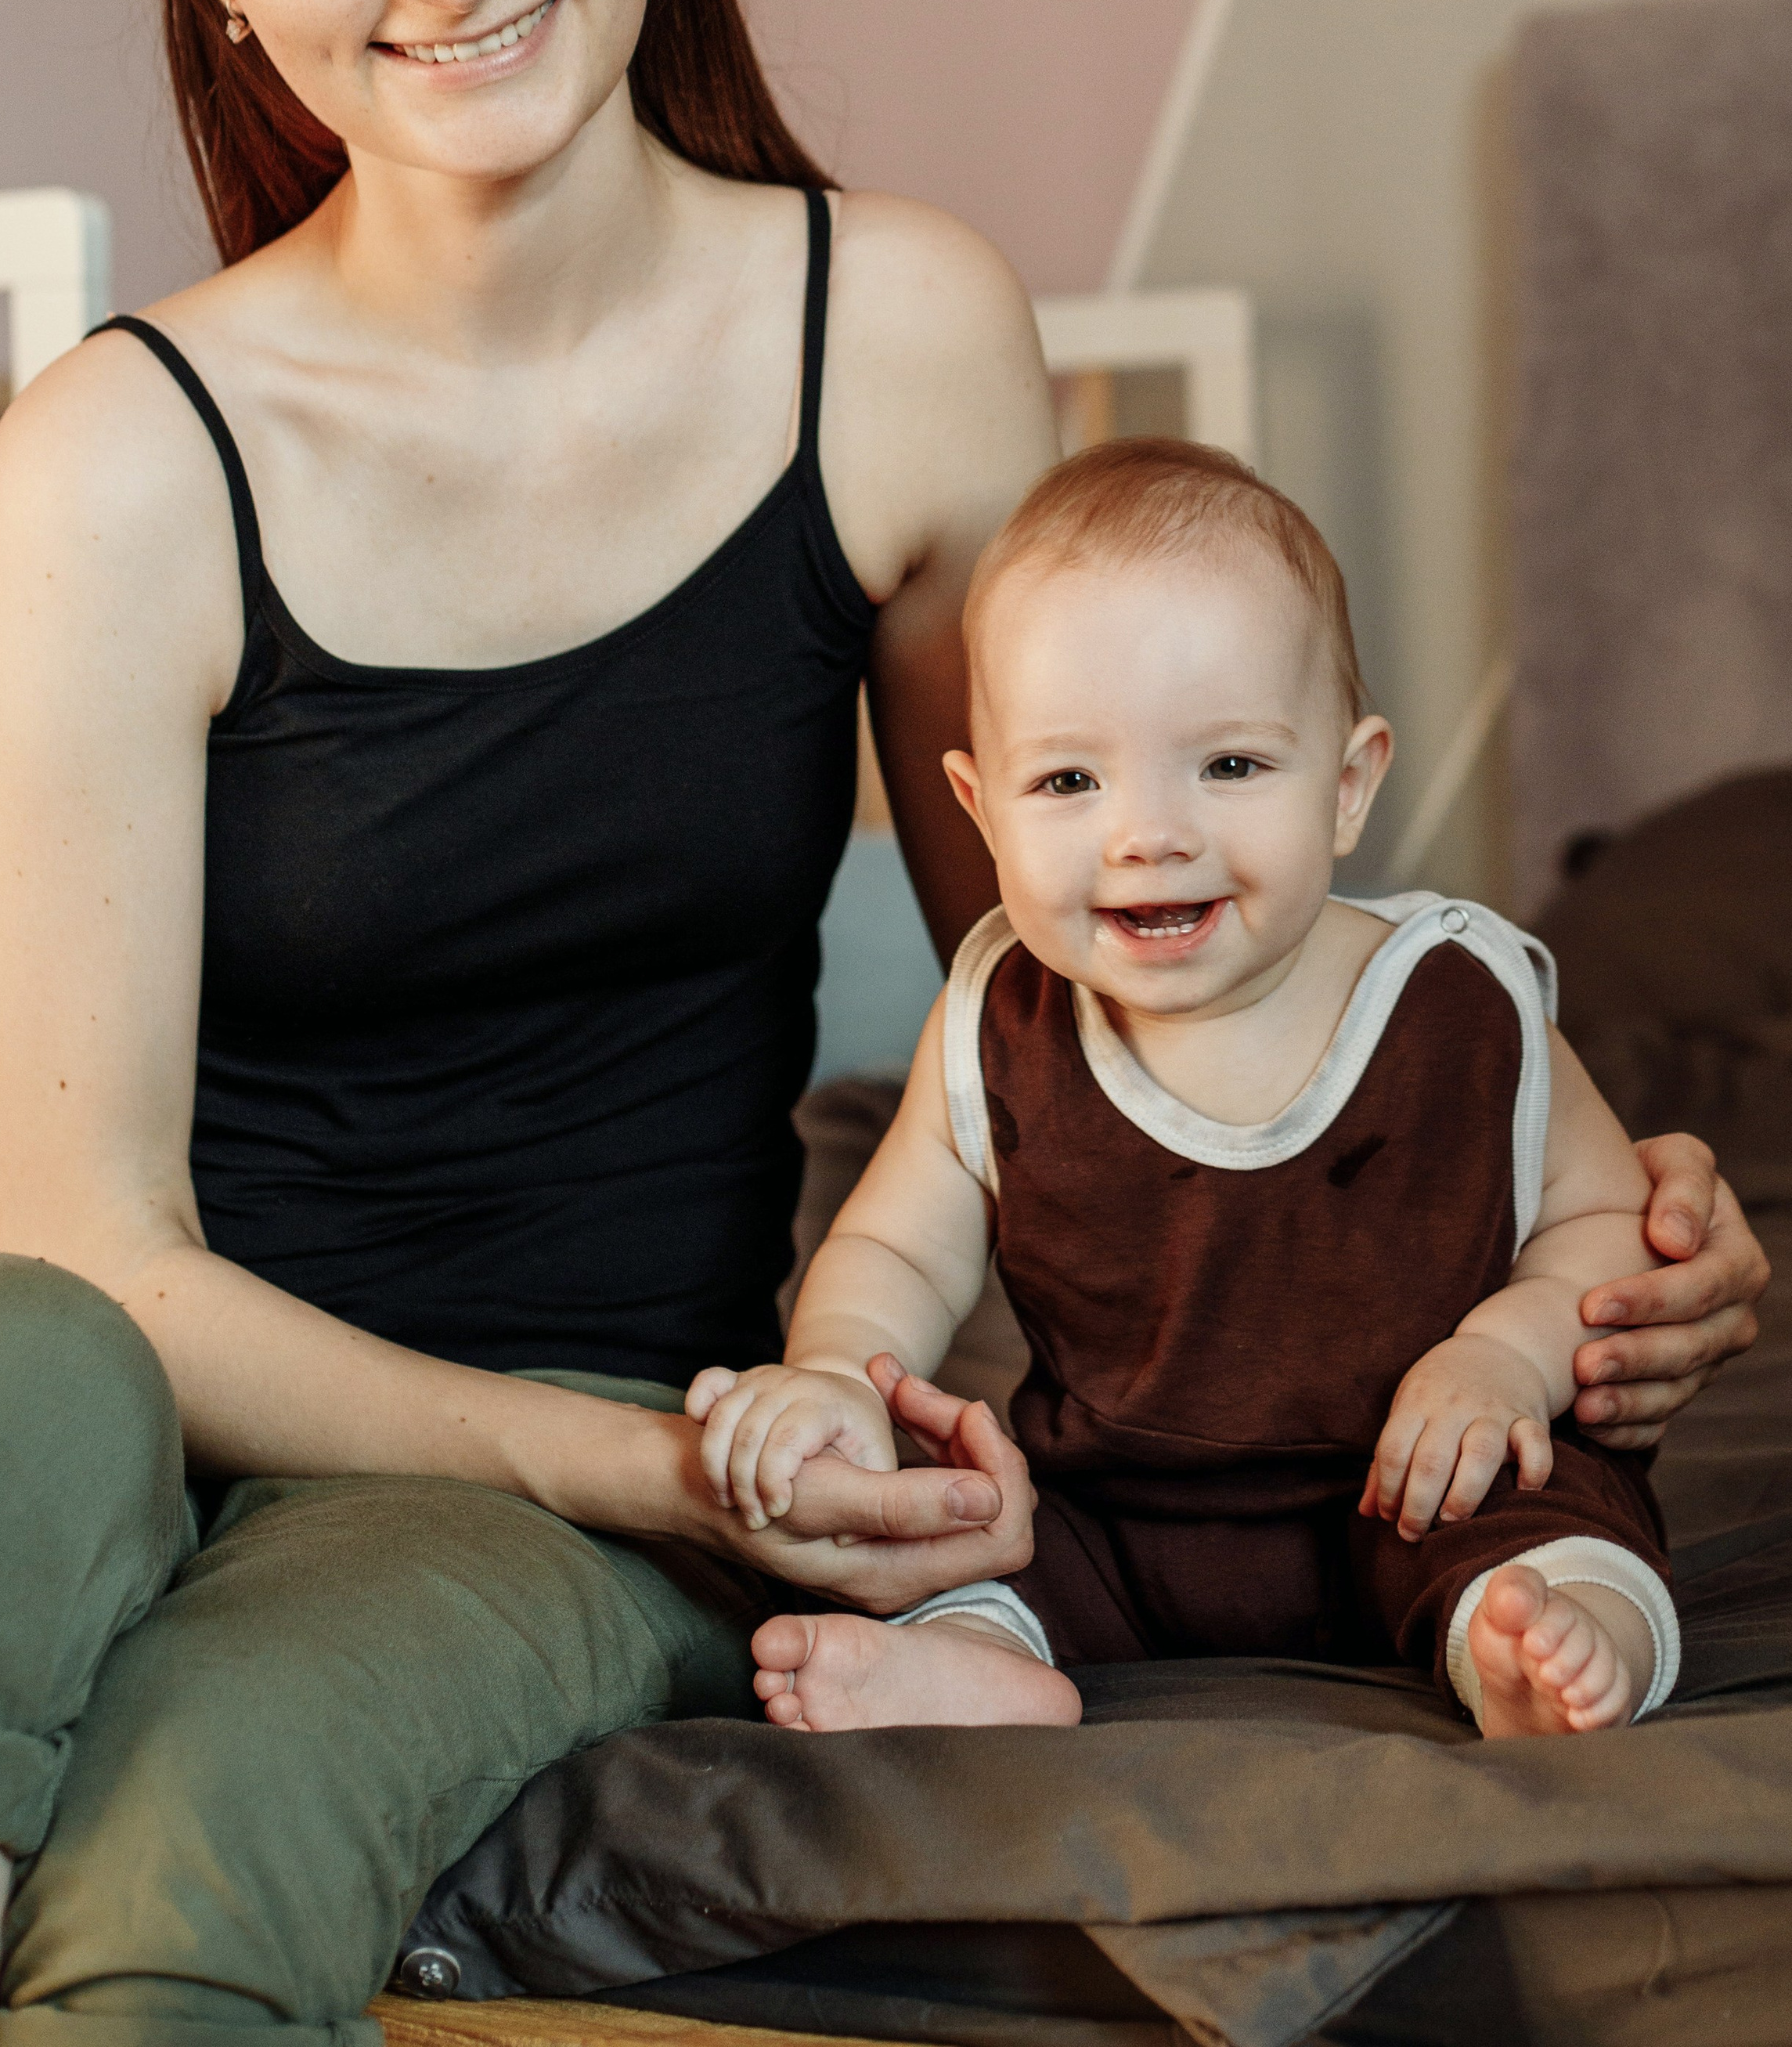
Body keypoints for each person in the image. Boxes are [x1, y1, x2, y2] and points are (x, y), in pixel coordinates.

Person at [0, 0, 1764, 2047]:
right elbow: (91, 1256)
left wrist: (1559, 1222)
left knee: (208, 1802)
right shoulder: (117, 454)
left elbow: (1103, 1031)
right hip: (109, 1384)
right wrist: (685, 1480)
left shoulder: (899, 340)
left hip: (597, 1413)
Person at [700, 441, 1680, 1739]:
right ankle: (988, 1664)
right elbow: (893, 1244)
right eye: (1068, 779)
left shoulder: (1458, 1000)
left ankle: (1540, 1644)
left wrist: (1505, 1353)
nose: (1147, 831)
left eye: (1227, 765)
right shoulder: (1000, 1013)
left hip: (1433, 1476)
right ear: (980, 806)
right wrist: (832, 1369)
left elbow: (1603, 1226)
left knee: (1560, 1523)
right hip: (1122, 1507)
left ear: (1346, 784)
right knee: (980, 1532)